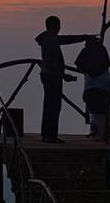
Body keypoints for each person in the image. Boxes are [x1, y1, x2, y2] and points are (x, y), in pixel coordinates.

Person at [34, 16, 93, 144]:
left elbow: (66, 39)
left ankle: (47, 134)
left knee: (50, 105)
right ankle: (50, 136)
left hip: (48, 75)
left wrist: (84, 36)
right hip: (51, 76)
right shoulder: (50, 40)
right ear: (56, 26)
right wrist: (63, 76)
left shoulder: (48, 38)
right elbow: (52, 62)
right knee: (53, 106)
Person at [76, 37, 110, 142]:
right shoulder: (101, 49)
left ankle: (97, 133)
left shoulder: (87, 50)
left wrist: (87, 70)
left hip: (92, 85)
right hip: (102, 85)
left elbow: (79, 65)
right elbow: (106, 64)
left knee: (95, 109)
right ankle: (100, 133)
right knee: (100, 109)